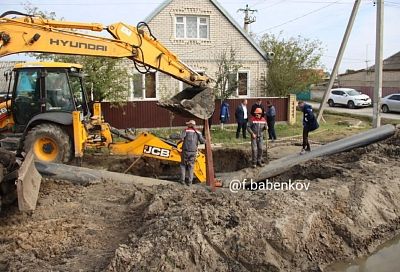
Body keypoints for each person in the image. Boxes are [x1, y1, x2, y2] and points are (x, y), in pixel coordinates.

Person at [180, 120, 205, 186]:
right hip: (193, 151)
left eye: (188, 124)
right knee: (191, 166)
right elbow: (202, 141)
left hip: (185, 151)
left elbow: (181, 138)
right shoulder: (198, 132)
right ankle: (190, 182)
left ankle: (182, 181)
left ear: (190, 125)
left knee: (183, 165)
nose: (187, 125)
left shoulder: (185, 130)